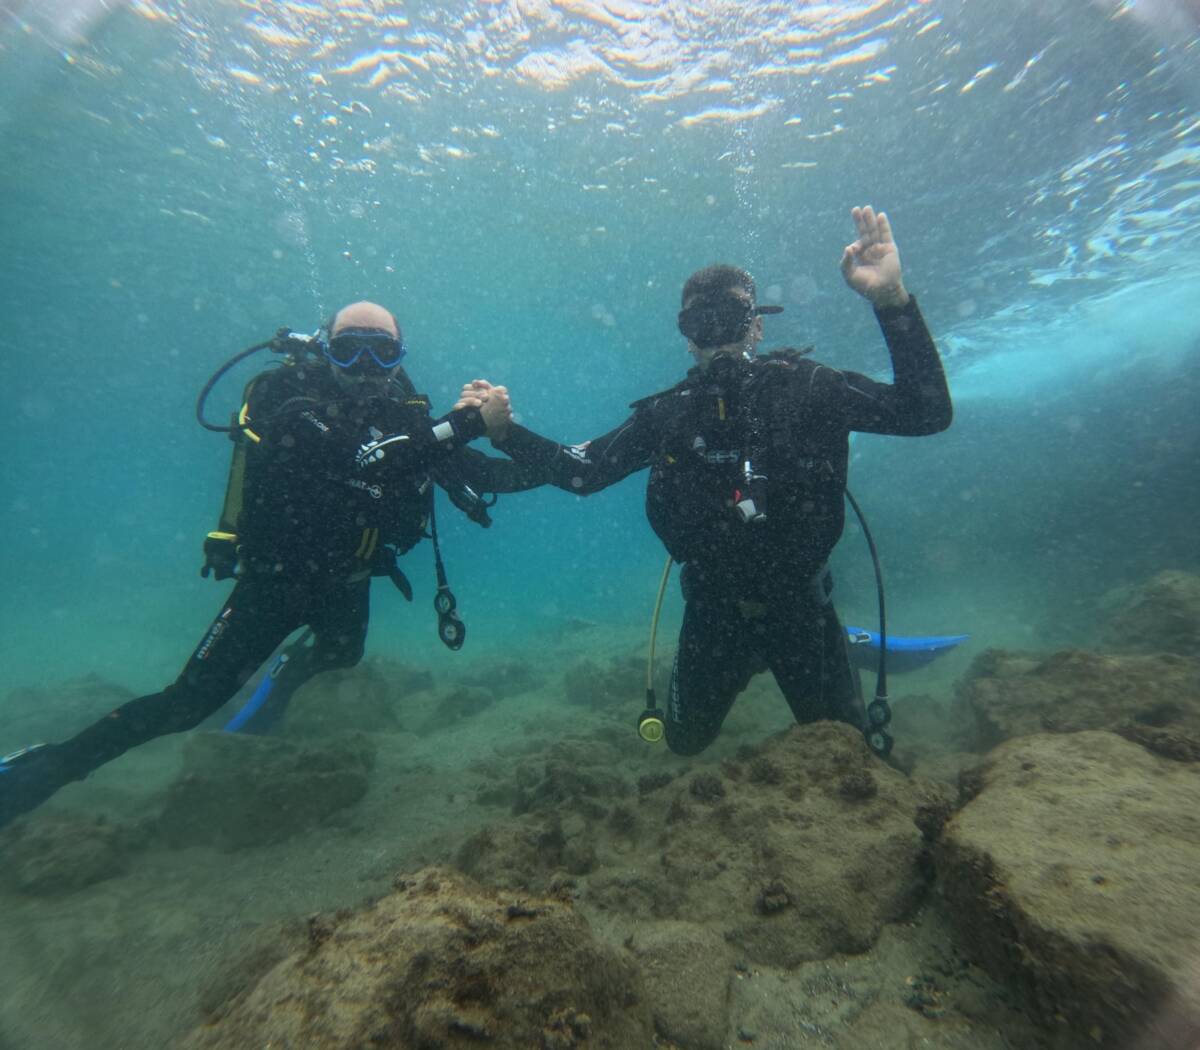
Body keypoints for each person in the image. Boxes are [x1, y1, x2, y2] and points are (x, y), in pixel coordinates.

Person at [0, 300, 531, 829]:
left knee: (341, 654)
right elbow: (360, 459)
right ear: (326, 352)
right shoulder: (286, 396)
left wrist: (520, 443)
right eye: (350, 352)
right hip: (275, 580)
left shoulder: (404, 411)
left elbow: (478, 474)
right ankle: (49, 766)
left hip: (350, 574)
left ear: (400, 356)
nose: (367, 368)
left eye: (383, 352)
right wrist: (463, 422)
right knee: (188, 703)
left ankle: (284, 676)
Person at [473, 206, 952, 756]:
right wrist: (505, 432)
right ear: (687, 338)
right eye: (702, 325)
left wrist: (891, 302)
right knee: (684, 741)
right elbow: (584, 472)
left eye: (732, 320)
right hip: (713, 616)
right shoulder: (667, 413)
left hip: (803, 612)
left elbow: (926, 412)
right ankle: (758, 658)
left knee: (845, 754)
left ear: (757, 326)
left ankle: (843, 644)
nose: (718, 338)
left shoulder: (812, 389)